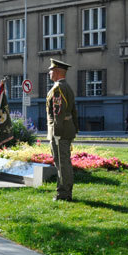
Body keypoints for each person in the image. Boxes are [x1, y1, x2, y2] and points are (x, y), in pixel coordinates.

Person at [46, 58, 78, 202]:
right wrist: (75, 128)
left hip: (60, 131)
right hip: (67, 129)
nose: (49, 73)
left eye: (51, 70)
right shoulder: (67, 87)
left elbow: (58, 112)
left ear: (57, 72)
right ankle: (66, 191)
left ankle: (64, 194)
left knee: (62, 163)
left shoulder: (58, 88)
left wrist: (57, 132)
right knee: (64, 162)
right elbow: (73, 110)